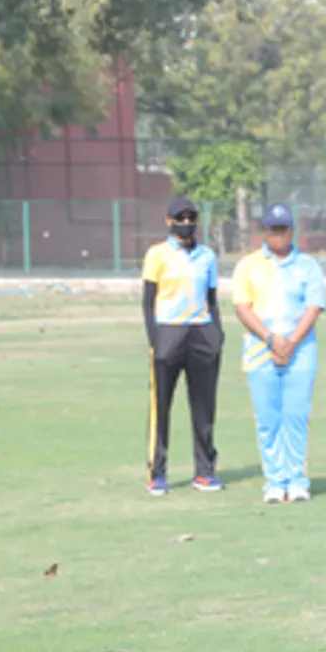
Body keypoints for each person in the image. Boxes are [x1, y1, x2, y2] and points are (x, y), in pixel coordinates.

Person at [232, 203, 325, 503]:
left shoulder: (308, 266)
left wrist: (291, 343)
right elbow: (242, 307)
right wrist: (271, 339)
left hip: (301, 351)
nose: (278, 235)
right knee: (268, 418)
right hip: (261, 350)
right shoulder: (248, 265)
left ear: (291, 231)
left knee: (296, 416)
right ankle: (275, 480)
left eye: (283, 229)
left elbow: (314, 307)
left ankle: (296, 479)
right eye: (273, 230)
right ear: (264, 232)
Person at [142, 195, 224, 495]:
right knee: (161, 407)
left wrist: (216, 335)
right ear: (169, 221)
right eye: (180, 218)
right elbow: (148, 301)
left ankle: (204, 472)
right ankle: (157, 473)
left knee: (204, 408)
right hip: (169, 332)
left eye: (191, 218)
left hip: (201, 333)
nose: (186, 223)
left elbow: (212, 299)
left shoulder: (207, 256)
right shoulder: (157, 254)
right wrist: (156, 338)